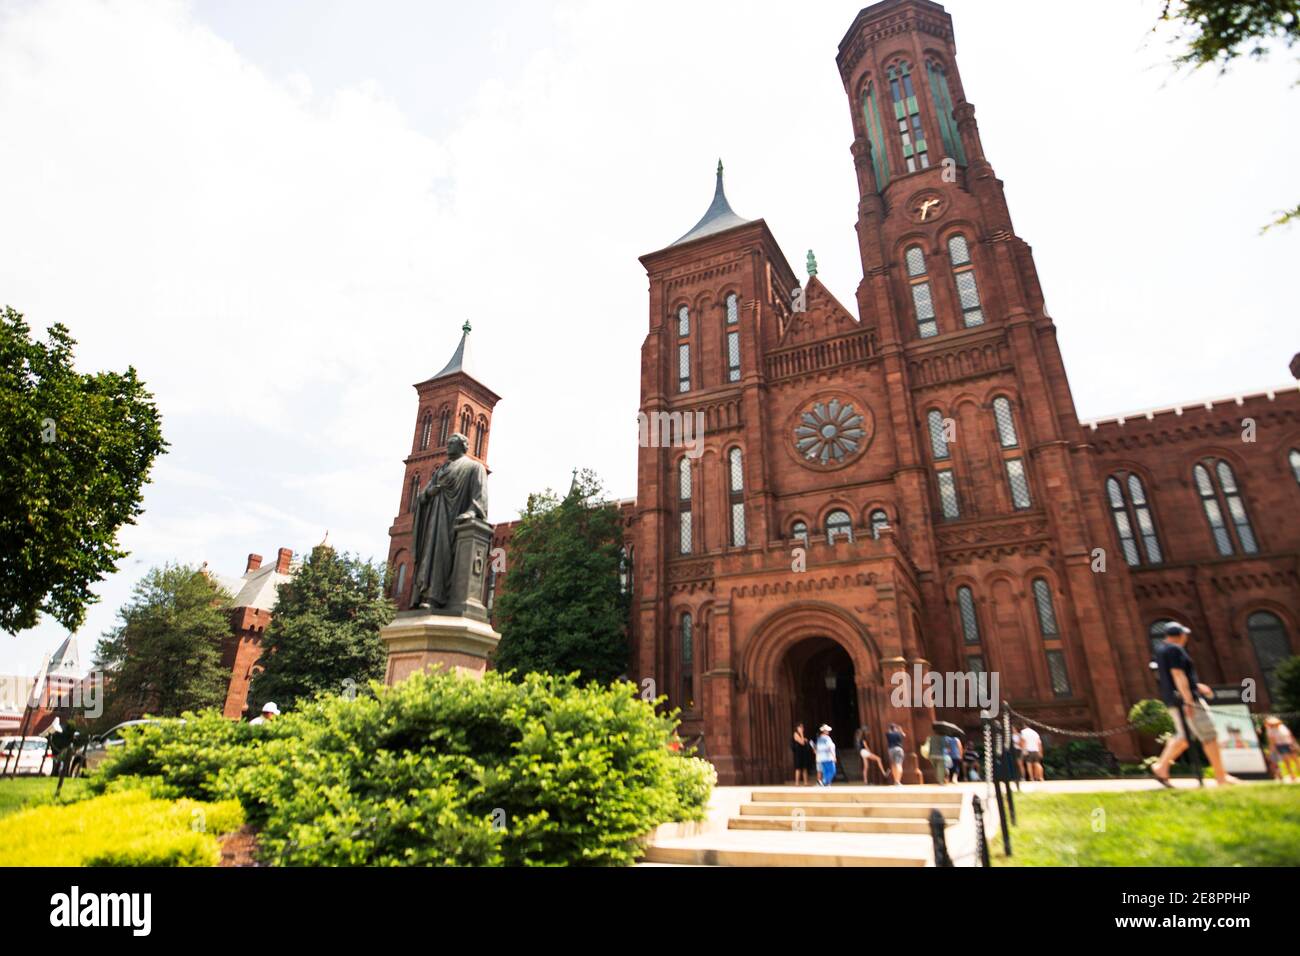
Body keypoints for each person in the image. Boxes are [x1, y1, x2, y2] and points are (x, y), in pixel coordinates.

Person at [1150, 622, 1238, 787]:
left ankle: (1161, 767)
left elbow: (1170, 677)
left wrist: (1196, 686)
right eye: (1185, 635)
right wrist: (1189, 701)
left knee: (1183, 737)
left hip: (1172, 700)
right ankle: (1221, 777)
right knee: (1209, 735)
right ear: (1180, 635)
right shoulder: (1175, 649)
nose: (1186, 638)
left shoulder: (1161, 651)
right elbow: (1177, 674)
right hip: (1186, 701)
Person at [1264, 716, 1298, 782]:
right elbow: (1272, 741)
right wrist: (1271, 750)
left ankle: (1293, 775)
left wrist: (1294, 743)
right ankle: (1292, 776)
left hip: (1289, 744)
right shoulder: (1270, 730)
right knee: (1287, 761)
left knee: (1296, 760)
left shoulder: (1282, 727)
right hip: (1281, 746)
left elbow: (1290, 735)